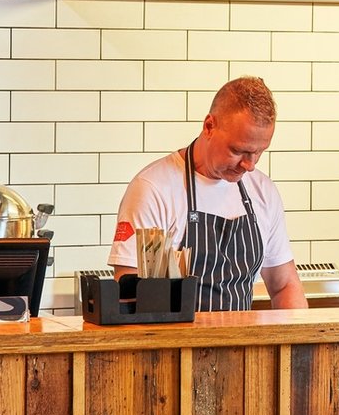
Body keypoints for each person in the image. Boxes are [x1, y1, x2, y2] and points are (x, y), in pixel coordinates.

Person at [109, 76, 307, 310]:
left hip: (243, 335)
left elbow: (285, 285)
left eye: (258, 152)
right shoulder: (153, 189)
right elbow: (130, 295)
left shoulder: (262, 191)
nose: (250, 165)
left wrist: (299, 331)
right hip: (173, 335)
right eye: (238, 151)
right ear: (209, 126)